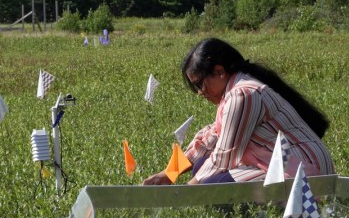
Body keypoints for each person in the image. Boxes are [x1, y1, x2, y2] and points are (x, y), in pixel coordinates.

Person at [143, 37, 335, 185]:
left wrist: (183, 196)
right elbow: (211, 138)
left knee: (214, 186)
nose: (200, 93)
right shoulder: (234, 91)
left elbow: (224, 156)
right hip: (282, 161)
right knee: (202, 168)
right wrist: (169, 174)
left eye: (200, 84)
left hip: (305, 170)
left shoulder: (242, 95)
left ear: (219, 72)